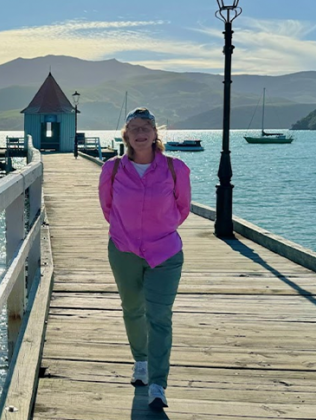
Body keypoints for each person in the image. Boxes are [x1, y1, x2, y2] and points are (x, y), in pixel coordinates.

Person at [98, 107, 191, 410]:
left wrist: (158, 230)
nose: (140, 133)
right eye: (134, 128)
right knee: (132, 309)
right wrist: (129, 233)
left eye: (146, 128)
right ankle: (141, 360)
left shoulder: (175, 168)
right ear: (126, 135)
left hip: (164, 251)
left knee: (160, 317)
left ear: (155, 134)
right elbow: (108, 207)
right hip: (123, 250)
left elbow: (182, 208)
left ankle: (157, 384)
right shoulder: (112, 169)